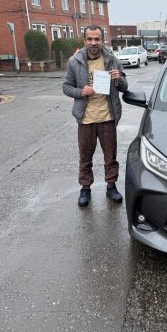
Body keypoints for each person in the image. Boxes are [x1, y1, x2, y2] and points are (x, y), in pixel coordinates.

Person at [63, 25, 128, 206]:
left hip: (107, 117)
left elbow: (124, 87)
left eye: (97, 39)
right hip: (85, 118)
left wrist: (118, 79)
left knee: (110, 156)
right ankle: (85, 188)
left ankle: (111, 186)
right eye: (90, 39)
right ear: (84, 40)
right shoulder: (74, 62)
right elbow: (66, 87)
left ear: (102, 40)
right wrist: (81, 91)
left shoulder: (113, 60)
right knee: (85, 157)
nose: (93, 43)